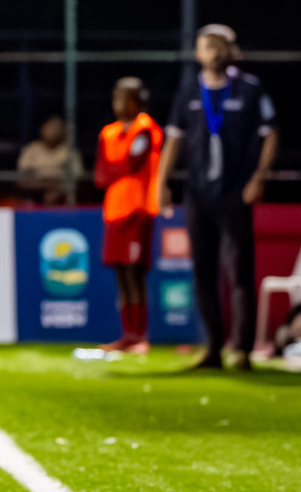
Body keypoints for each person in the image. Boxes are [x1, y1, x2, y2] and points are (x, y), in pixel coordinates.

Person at [155, 25, 279, 371]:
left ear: (231, 50)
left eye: (220, 46)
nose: (213, 52)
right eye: (207, 46)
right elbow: (174, 139)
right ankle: (212, 347)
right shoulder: (189, 90)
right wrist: (161, 183)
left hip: (236, 191)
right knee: (203, 271)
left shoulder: (250, 88)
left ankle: (240, 349)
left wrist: (259, 176)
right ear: (198, 53)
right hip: (198, 193)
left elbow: (270, 134)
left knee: (239, 271)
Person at [94, 78, 163, 353]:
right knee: (121, 273)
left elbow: (130, 164)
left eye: (124, 97)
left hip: (138, 209)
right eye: (115, 97)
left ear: (136, 100)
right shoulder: (108, 133)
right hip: (114, 211)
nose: (118, 104)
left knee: (135, 273)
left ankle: (139, 335)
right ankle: (126, 334)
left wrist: (114, 169)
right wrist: (115, 169)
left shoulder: (145, 129)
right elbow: (100, 175)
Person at [18, 116, 82, 205]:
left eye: (56, 128)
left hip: (60, 195)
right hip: (34, 193)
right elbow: (22, 175)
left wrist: (57, 188)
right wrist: (45, 184)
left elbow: (77, 177)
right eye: (49, 128)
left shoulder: (69, 151)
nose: (52, 131)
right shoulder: (33, 149)